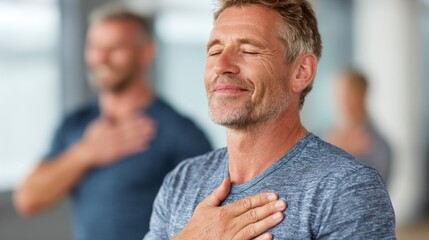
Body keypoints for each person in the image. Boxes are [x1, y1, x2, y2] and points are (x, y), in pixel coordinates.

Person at [144, 0, 396, 239]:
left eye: (249, 50)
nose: (222, 65)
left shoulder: (347, 188)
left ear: (301, 72)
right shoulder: (181, 181)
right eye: (215, 50)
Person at [13, 4, 212, 240]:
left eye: (115, 48)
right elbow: (27, 199)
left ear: (146, 52)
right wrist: (86, 153)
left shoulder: (180, 132)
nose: (101, 58)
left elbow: (208, 220)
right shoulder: (76, 125)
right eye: (95, 47)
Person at [325, 68, 393, 185]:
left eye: (347, 95)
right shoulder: (331, 136)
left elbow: (375, 189)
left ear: (362, 95)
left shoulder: (377, 144)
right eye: (338, 95)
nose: (341, 101)